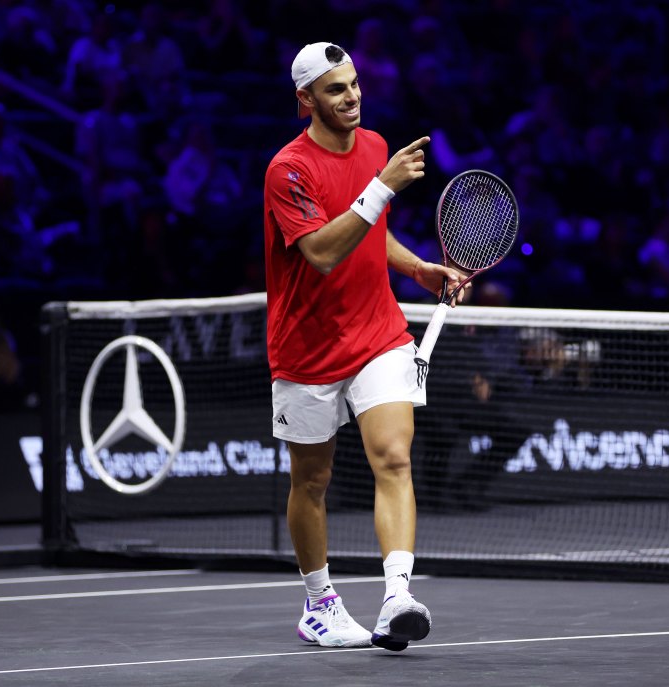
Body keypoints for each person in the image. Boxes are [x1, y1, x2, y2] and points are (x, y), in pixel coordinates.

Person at [263, 42, 469, 652]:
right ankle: (319, 604)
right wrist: (380, 188)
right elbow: (324, 251)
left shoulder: (377, 147)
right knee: (312, 481)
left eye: (354, 85)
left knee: (394, 458)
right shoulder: (288, 170)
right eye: (335, 90)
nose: (351, 97)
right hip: (306, 347)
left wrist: (418, 270)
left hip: (377, 333)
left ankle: (397, 595)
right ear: (306, 101)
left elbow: (369, 232)